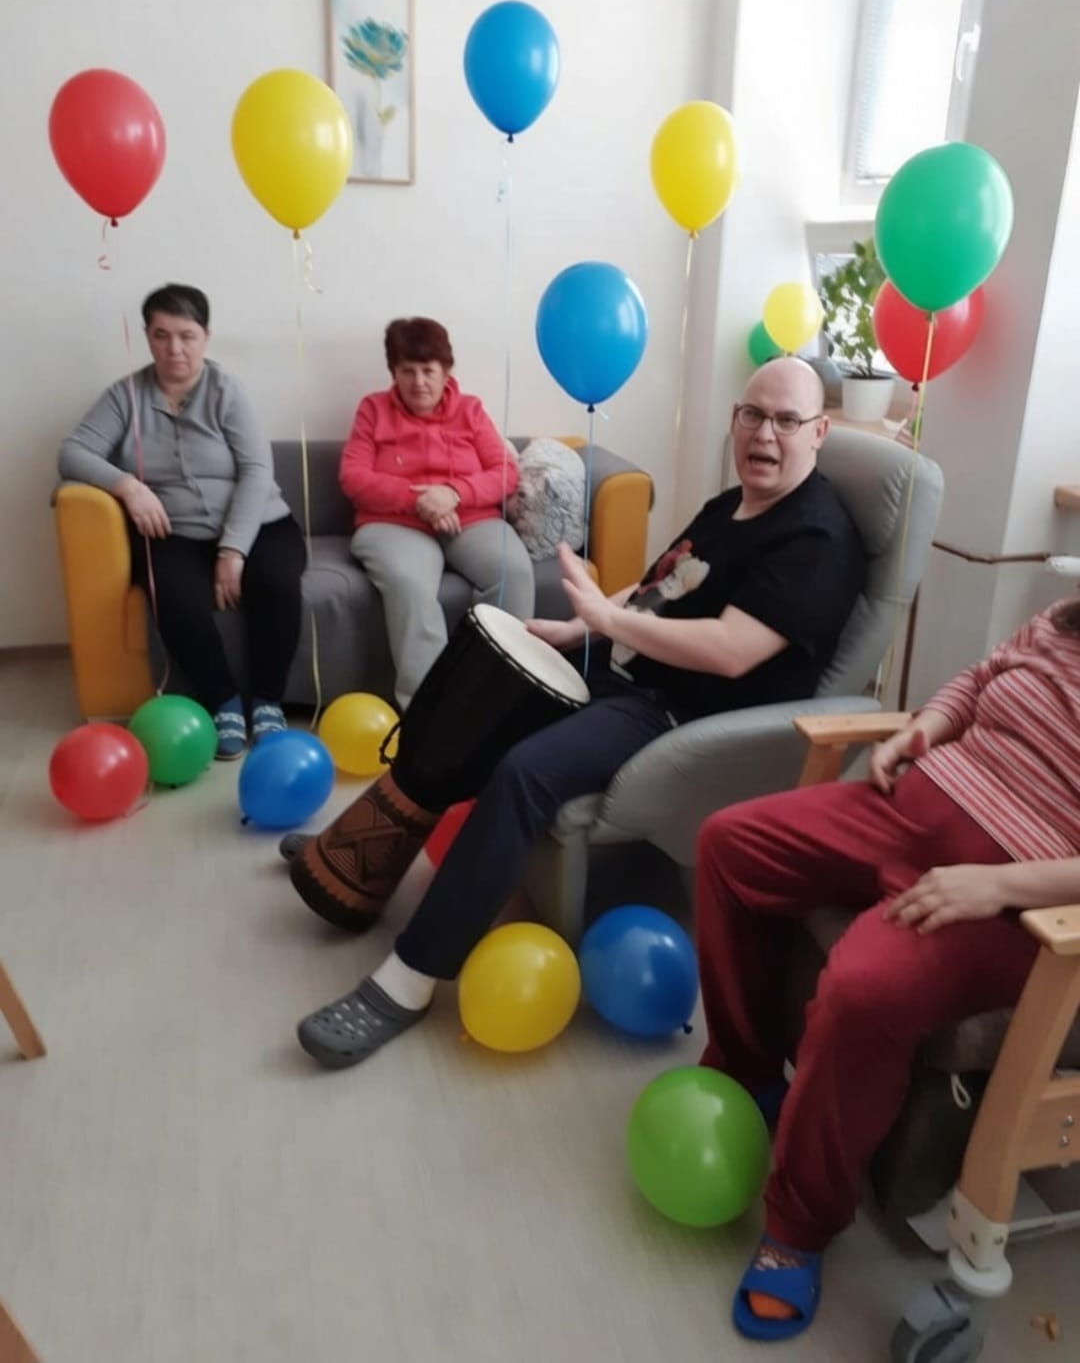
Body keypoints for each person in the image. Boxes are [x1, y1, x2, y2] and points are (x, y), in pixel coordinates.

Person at [292, 356, 867, 1068]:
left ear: (819, 432)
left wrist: (608, 623)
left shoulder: (815, 539)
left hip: (682, 713)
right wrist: (578, 628)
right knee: (483, 691)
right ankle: (367, 847)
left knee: (524, 772)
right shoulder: (731, 505)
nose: (766, 434)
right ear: (734, 419)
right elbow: (659, 588)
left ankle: (408, 980)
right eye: (754, 415)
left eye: (786, 420)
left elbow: (731, 651)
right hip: (628, 672)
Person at [694, 596, 1080, 1342]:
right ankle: (749, 1072)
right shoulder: (1066, 615)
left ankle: (799, 1225)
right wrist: (922, 729)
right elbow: (980, 679)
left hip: (1012, 899)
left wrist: (997, 885)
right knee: (728, 848)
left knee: (862, 990)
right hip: (908, 804)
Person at [59, 285, 305, 758]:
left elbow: (257, 470)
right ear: (148, 337)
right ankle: (223, 702)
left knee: (276, 584)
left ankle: (268, 702)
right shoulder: (125, 395)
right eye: (162, 335)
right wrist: (128, 487)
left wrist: (233, 550)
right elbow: (72, 452)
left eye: (187, 335)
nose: (175, 348)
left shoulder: (227, 390)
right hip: (174, 531)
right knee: (172, 595)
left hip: (259, 523)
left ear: (205, 336)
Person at [342, 317, 535, 709]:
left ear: (446, 371)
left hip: (468, 518)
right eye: (407, 371)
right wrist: (419, 500)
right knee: (410, 584)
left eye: (428, 371)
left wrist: (454, 493)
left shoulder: (470, 410)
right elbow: (353, 477)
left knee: (513, 573)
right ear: (393, 372)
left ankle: (495, 696)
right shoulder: (373, 409)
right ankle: (428, 712)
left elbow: (505, 472)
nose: (418, 382)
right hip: (394, 524)